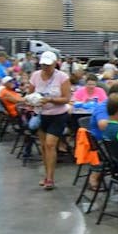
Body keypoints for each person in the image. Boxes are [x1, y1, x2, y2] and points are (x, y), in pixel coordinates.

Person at [28, 51, 71, 190]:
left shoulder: (62, 77)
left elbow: (66, 99)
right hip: (41, 114)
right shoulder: (35, 76)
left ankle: (50, 179)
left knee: (50, 144)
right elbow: (29, 95)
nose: (45, 68)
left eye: (48, 65)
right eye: (43, 65)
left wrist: (50, 99)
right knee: (44, 146)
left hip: (58, 115)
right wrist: (33, 100)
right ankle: (46, 175)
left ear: (55, 63)